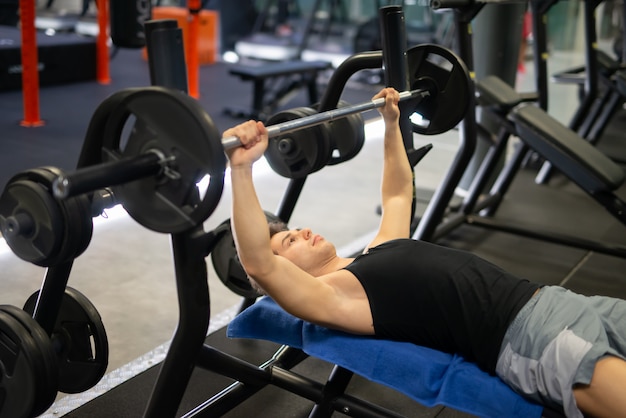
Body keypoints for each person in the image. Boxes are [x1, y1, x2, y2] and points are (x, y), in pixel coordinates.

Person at [223, 87, 626, 418]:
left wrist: (392, 122)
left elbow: (398, 193)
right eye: (289, 241)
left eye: (294, 229)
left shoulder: (379, 248)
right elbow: (259, 264)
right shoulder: (337, 297)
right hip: (530, 339)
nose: (303, 231)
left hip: (562, 302)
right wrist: (240, 169)